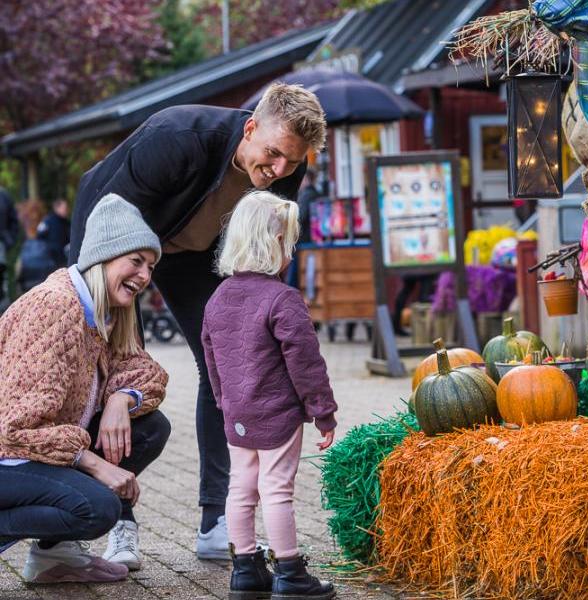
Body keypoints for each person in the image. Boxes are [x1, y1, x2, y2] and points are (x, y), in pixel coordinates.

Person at [69, 83, 327, 559]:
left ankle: (217, 520)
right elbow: (108, 218)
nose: (278, 172)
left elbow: (266, 250)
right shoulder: (177, 137)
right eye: (271, 155)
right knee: (119, 374)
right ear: (250, 128)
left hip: (196, 256)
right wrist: (100, 311)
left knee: (229, 368)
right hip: (119, 245)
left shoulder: (289, 163)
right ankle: (120, 522)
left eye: (291, 162)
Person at [0, 193, 170, 582]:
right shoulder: (56, 307)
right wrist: (95, 464)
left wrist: (119, 400)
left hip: (34, 451)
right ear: (104, 256)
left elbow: (148, 372)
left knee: (151, 426)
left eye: (151, 266)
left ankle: (53, 556)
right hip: (8, 454)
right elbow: (18, 430)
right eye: (136, 261)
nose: (145, 276)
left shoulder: (104, 312)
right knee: (96, 508)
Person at [202, 191, 337, 600]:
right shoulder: (282, 299)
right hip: (277, 414)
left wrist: (224, 401)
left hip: (237, 416)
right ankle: (290, 571)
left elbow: (211, 358)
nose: (291, 253)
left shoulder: (217, 298)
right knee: (277, 489)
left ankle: (245, 569)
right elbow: (306, 362)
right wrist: (322, 411)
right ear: (274, 244)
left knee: (240, 488)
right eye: (289, 243)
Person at [37, 198, 71, 268]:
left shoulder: (67, 223)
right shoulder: (48, 221)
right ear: (57, 208)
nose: (66, 210)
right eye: (64, 208)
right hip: (50, 259)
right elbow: (40, 236)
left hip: (63, 258)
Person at [0, 188, 19, 304]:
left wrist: (9, 240)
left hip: (2, 245)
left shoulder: (4, 196)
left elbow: (14, 221)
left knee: (4, 280)